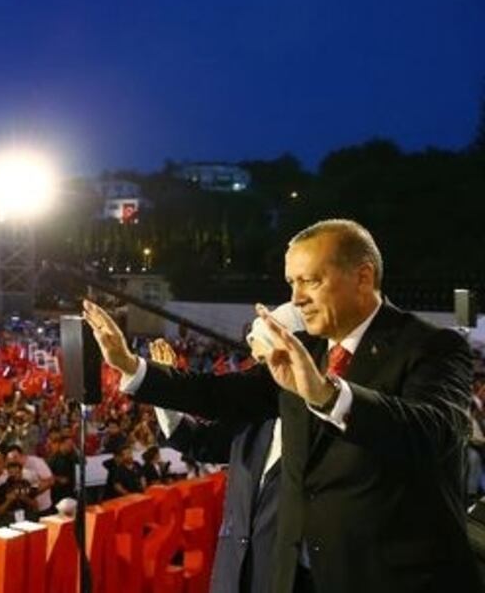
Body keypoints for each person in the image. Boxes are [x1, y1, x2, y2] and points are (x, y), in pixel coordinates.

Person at [84, 218, 484, 593]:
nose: (297, 298)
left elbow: (433, 433)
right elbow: (222, 394)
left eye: (310, 280)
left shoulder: (432, 347)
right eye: (292, 282)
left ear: (363, 277)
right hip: (296, 575)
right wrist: (133, 368)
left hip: (389, 578)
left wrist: (328, 395)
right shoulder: (305, 352)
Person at [151, 335, 284, 593]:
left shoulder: (329, 427)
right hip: (232, 576)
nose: (250, 372)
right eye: (253, 362)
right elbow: (198, 441)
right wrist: (164, 393)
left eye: (261, 362)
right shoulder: (250, 421)